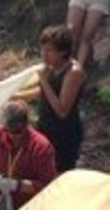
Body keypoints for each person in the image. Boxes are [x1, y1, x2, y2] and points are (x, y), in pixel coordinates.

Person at [16, 25, 85, 172]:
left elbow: (62, 110)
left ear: (63, 52)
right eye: (42, 49)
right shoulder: (52, 66)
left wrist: (44, 81)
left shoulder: (73, 72)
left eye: (49, 51)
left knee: (57, 175)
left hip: (63, 135)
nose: (44, 54)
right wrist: (14, 96)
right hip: (45, 127)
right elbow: (42, 93)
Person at [0, 100, 58, 210]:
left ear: (27, 124)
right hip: (3, 202)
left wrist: (17, 185)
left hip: (31, 208)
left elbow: (48, 186)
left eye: (17, 132)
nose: (12, 136)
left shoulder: (41, 147)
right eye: (8, 131)